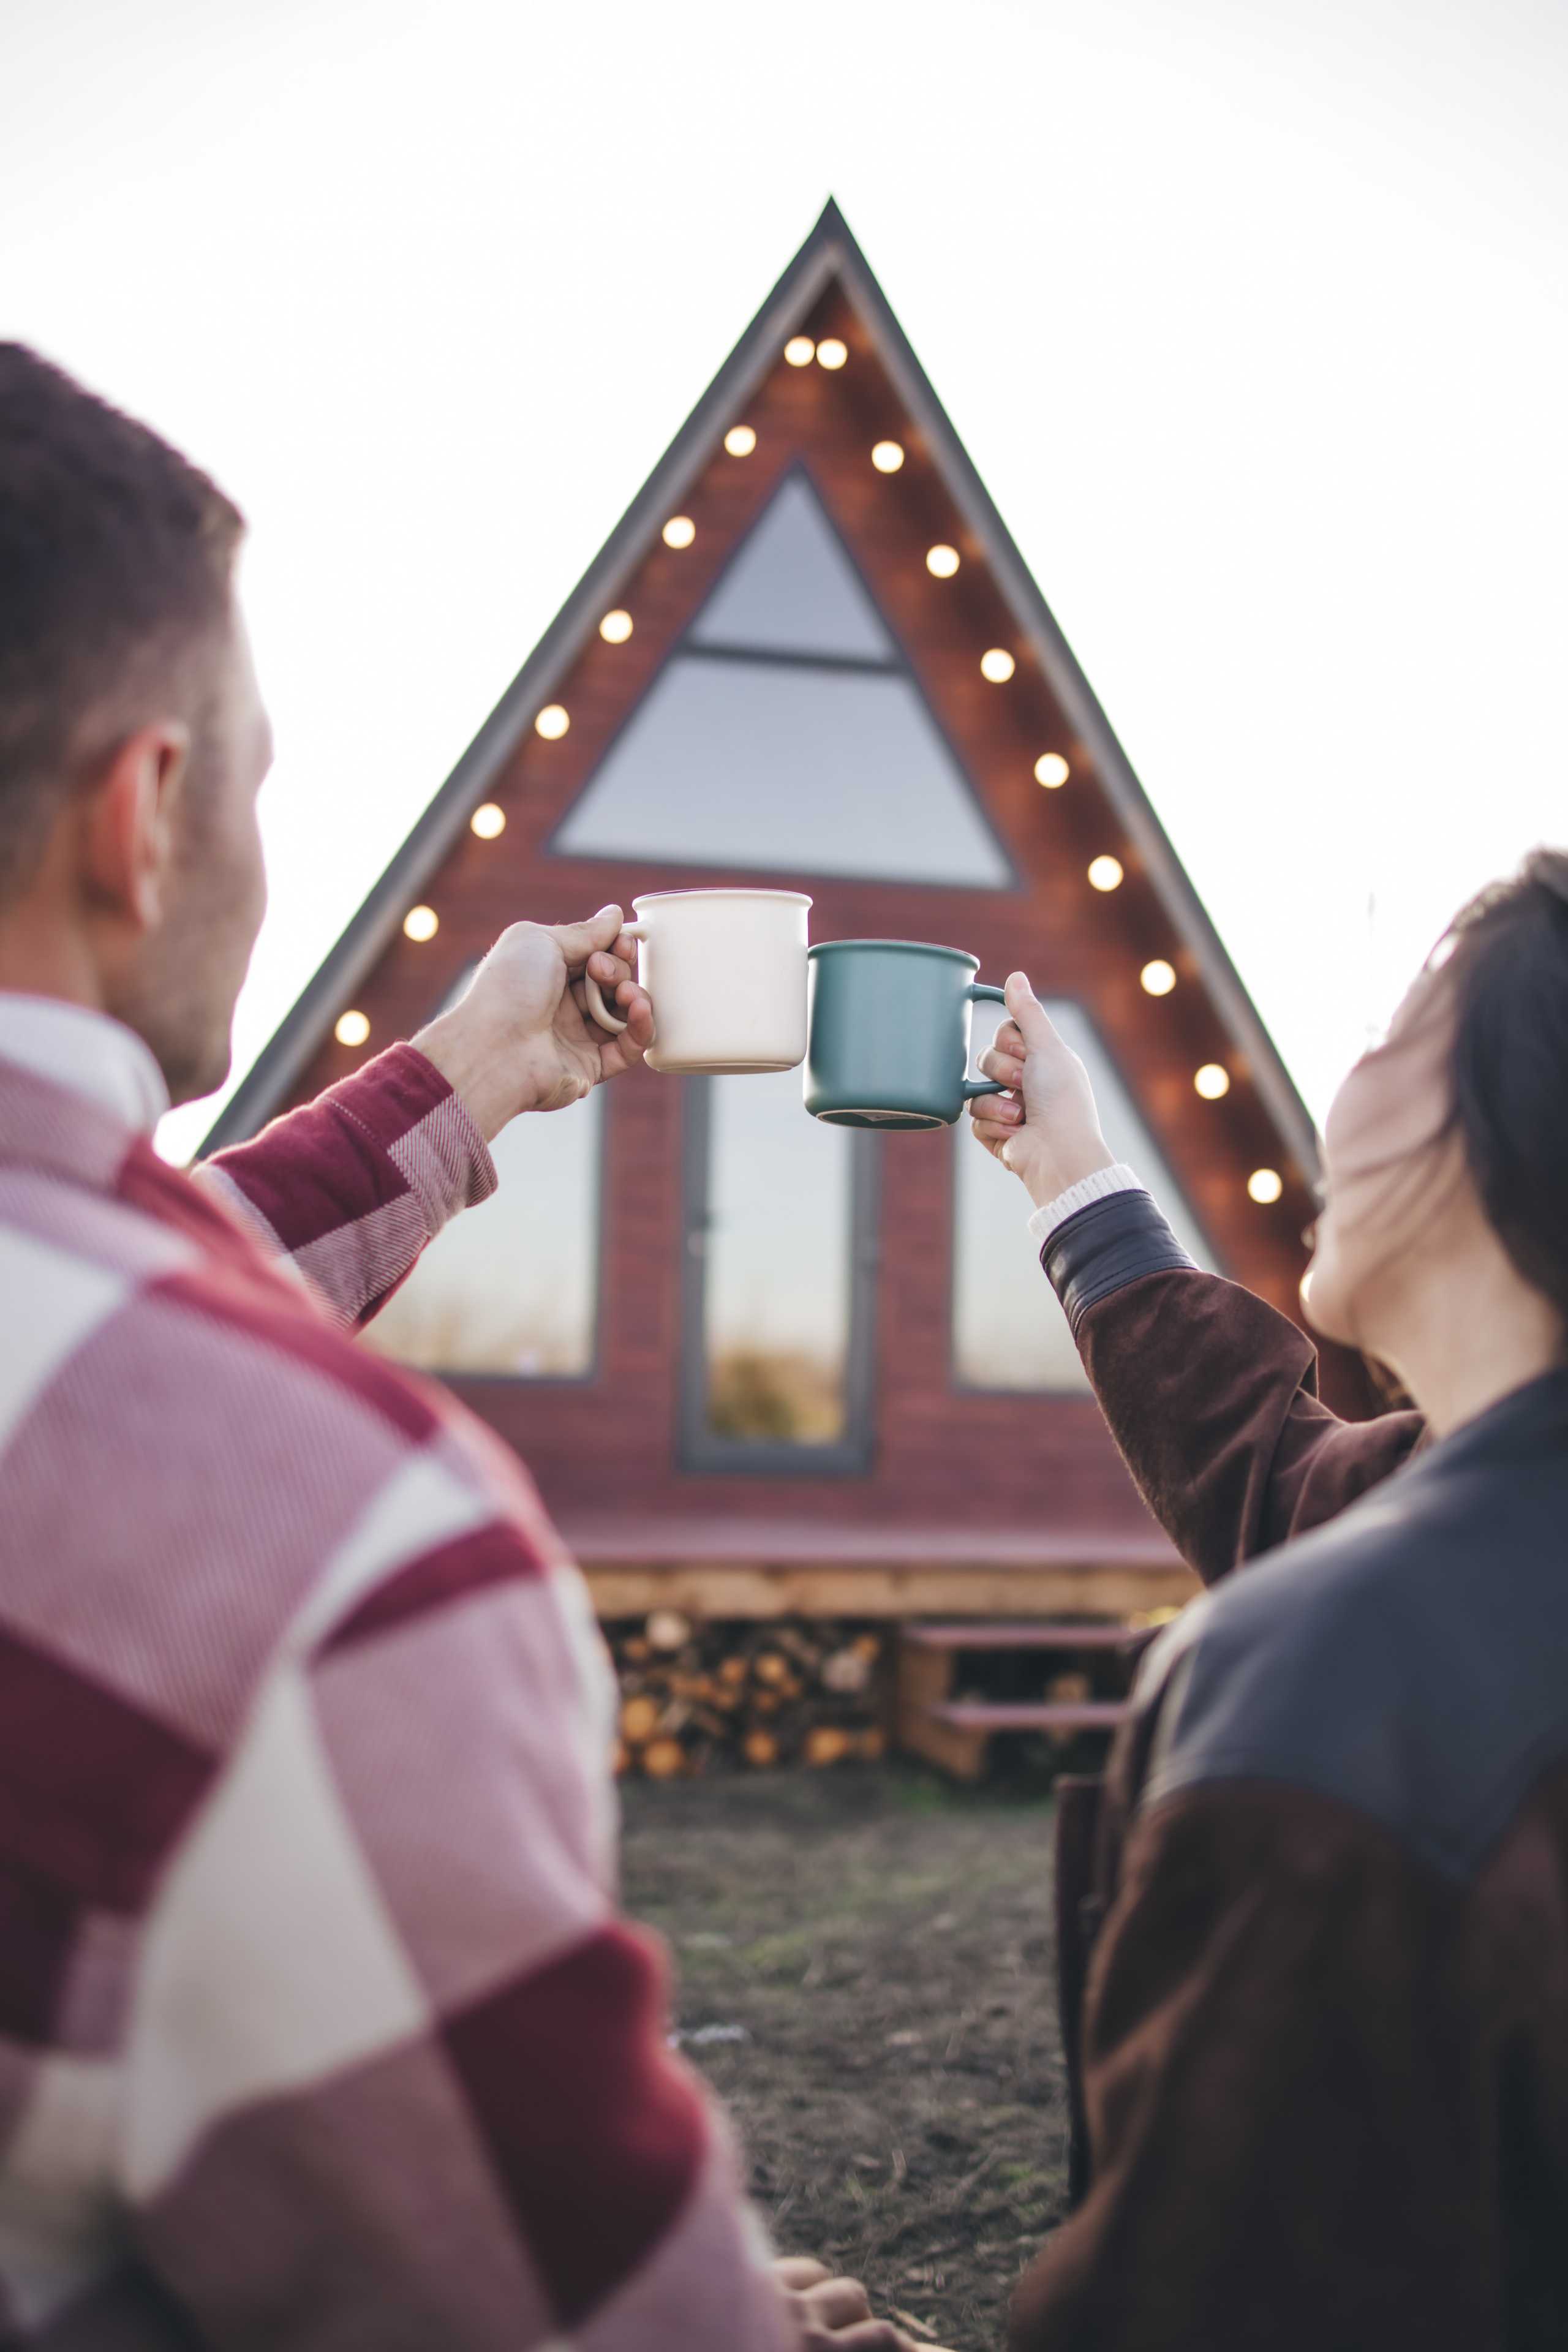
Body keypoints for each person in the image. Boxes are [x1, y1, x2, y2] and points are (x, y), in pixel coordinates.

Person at [0, 342, 934, 2350]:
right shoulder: (331, 1559)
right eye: (256, 780)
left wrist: (484, 1067)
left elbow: (98, 1315)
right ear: (145, 817)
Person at [968, 854, 1568, 2349]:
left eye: (1390, 1037)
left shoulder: (1331, 1691)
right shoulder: (1463, 1541)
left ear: (1509, 1113)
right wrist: (1074, 1183)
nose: (1336, 1089)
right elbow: (1286, 1481)